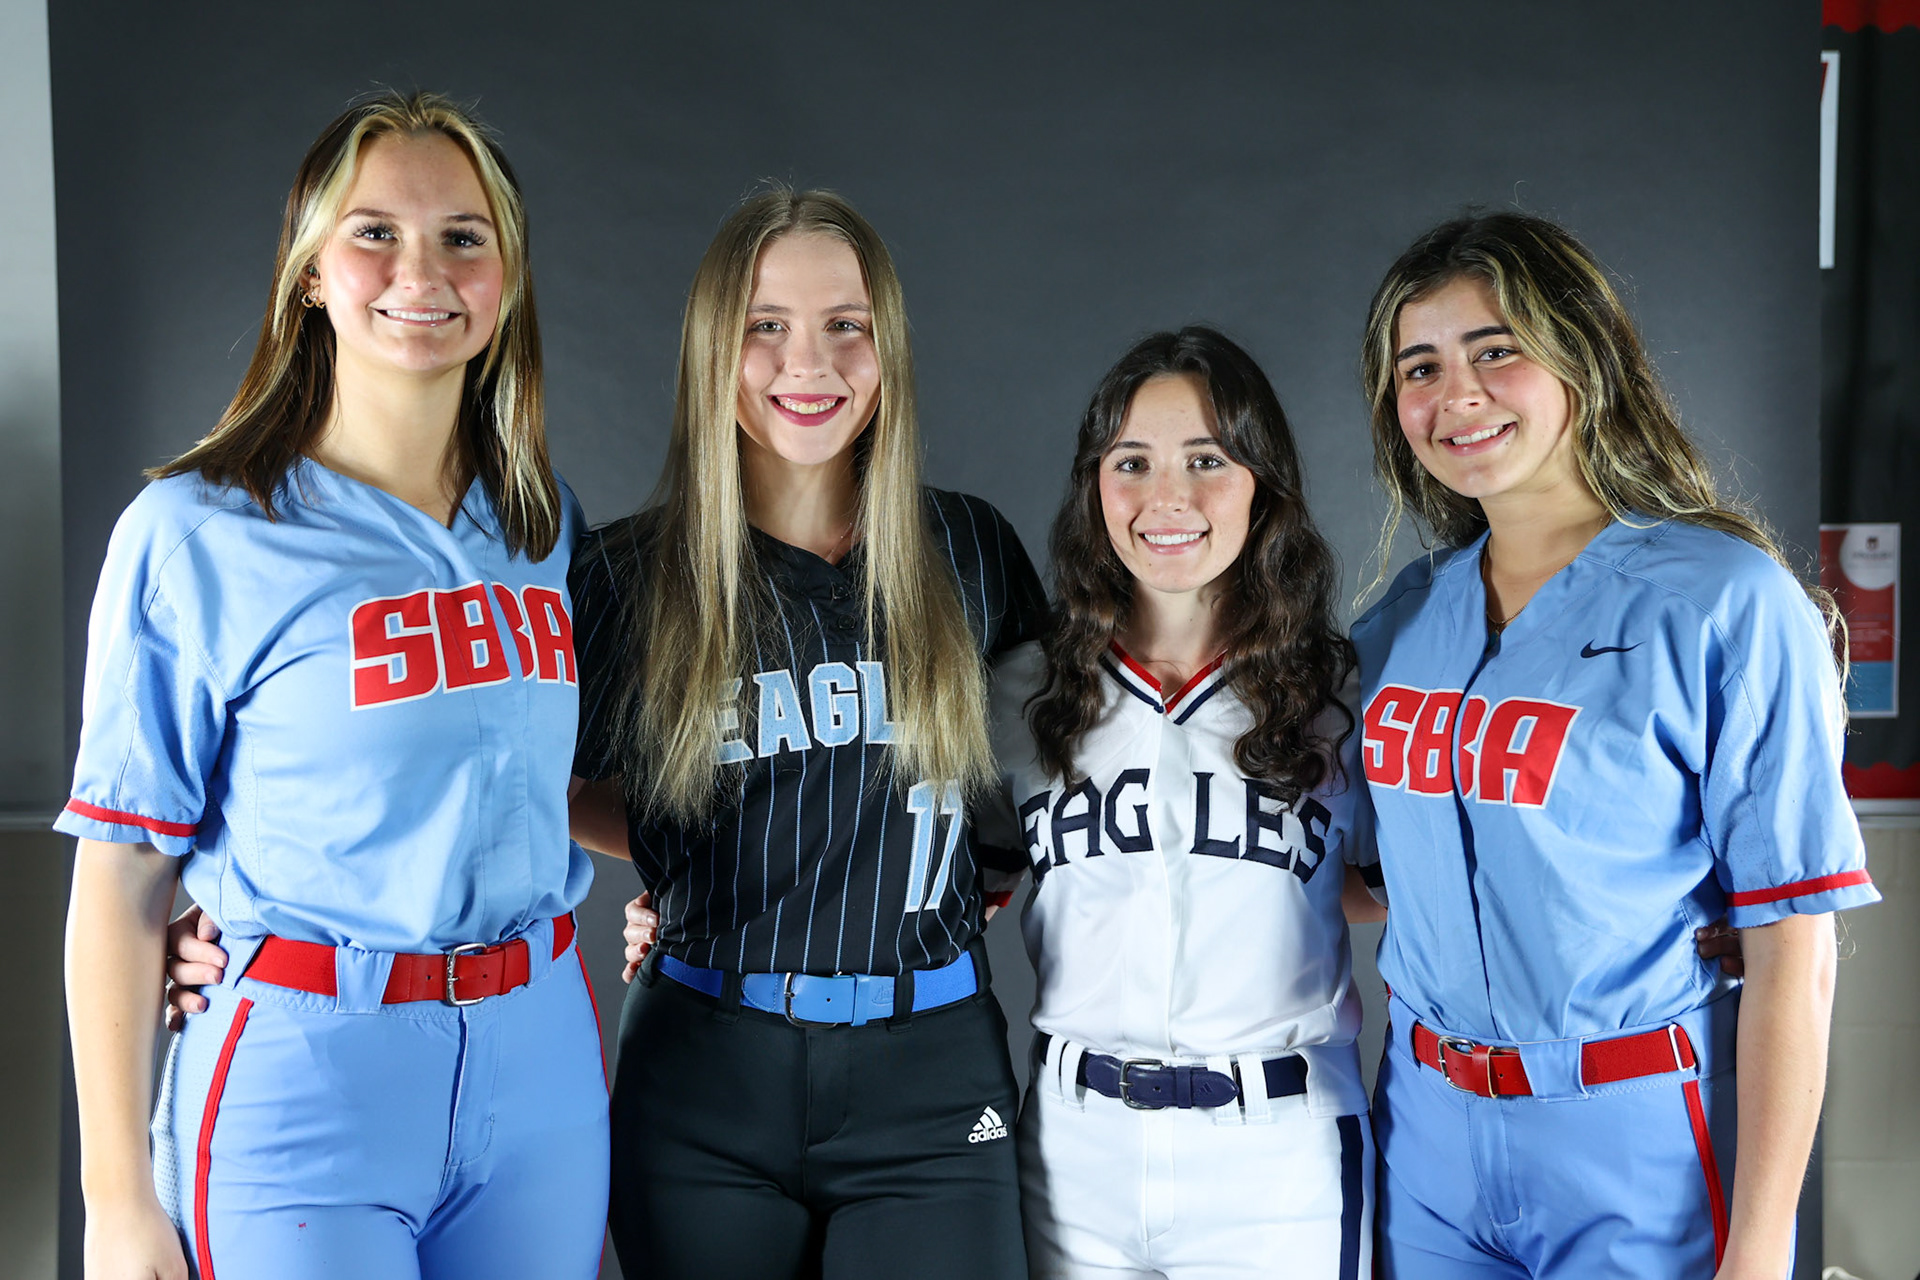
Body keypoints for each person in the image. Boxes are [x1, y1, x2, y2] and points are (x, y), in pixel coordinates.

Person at [62, 91, 606, 1280]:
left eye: (464, 236)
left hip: (541, 1061)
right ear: (309, 271)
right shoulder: (197, 531)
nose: (421, 270)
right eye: (374, 233)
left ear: (506, 277)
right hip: (309, 1074)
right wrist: (115, 1197)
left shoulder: (540, 525)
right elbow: (120, 872)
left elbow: (538, 784)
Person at [1351, 211, 1879, 1279]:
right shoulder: (1406, 615)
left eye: (1495, 349)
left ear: (1581, 357)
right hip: (1425, 1127)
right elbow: (1382, 874)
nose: (1455, 394)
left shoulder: (1728, 599)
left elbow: (1792, 946)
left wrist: (1762, 1240)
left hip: (1633, 1125)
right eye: (1421, 365)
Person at [567, 188, 1047, 1278]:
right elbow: (527, 782)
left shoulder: (968, 548)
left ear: (889, 349)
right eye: (765, 325)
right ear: (711, 348)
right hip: (703, 1065)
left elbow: (1043, 781)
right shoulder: (626, 574)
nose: (810, 362)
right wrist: (663, 851)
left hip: (929, 1070)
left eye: (847, 325)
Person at [986, 326, 1381, 1278]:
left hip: (1276, 1150)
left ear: (1264, 485)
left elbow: (1410, 881)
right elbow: (947, 879)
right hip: (1072, 1146)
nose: (1169, 496)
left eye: (1207, 459)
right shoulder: (1018, 689)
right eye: (1133, 462)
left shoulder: (1344, 692)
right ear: (1095, 489)